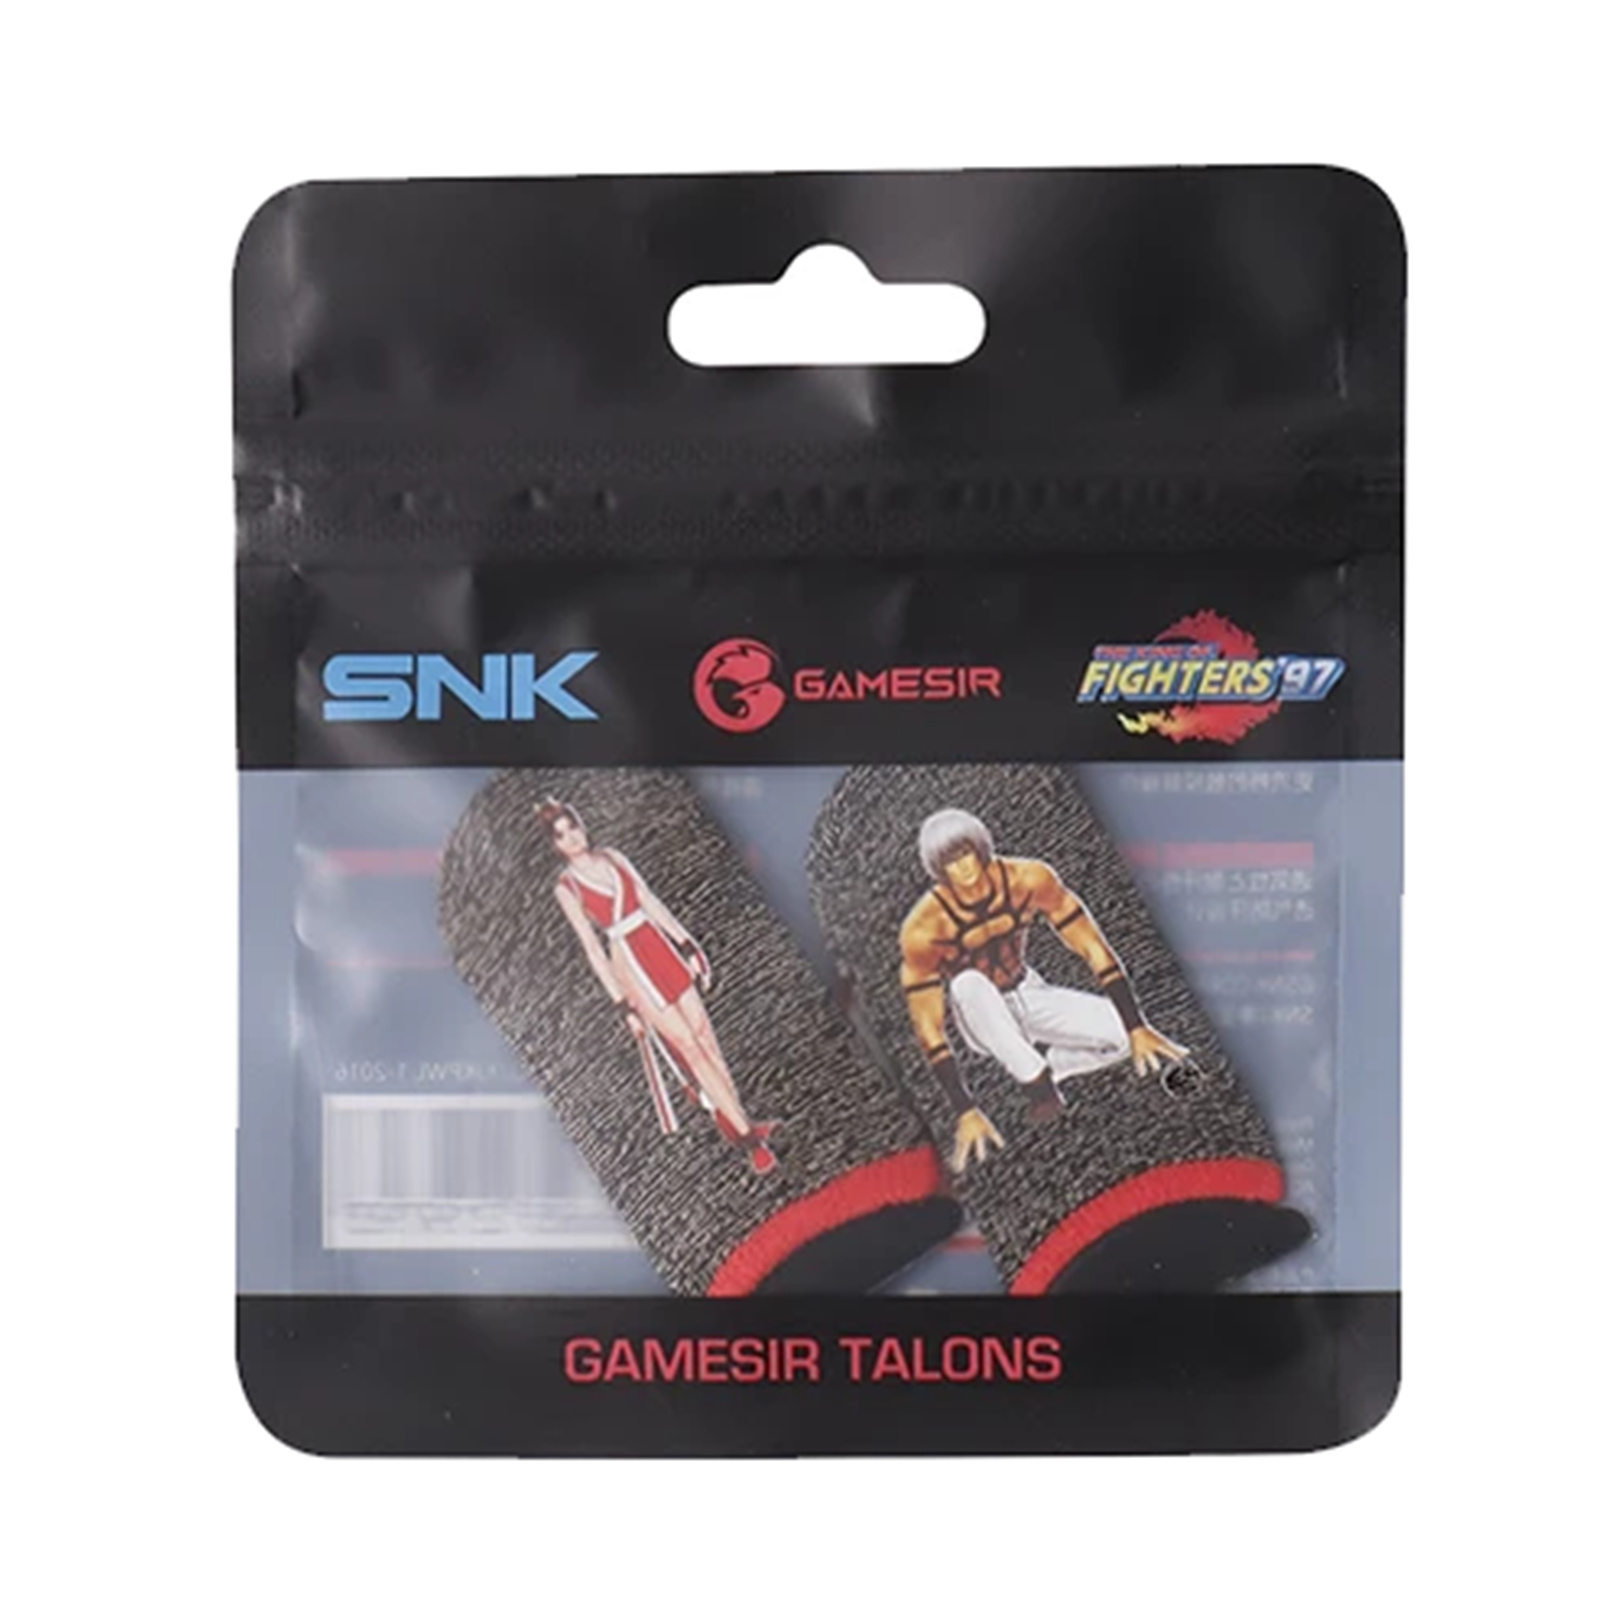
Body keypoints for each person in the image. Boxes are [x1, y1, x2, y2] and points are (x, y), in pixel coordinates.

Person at [899, 807, 1189, 1175]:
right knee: (967, 983)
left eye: (966, 853)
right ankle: (1038, 1086)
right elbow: (928, 1026)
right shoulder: (925, 926)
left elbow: (1091, 944)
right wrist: (964, 1108)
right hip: (978, 1013)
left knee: (1125, 1037)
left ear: (980, 848)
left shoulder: (1028, 878)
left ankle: (1053, 1064)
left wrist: (1136, 1025)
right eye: (950, 862)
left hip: (1027, 991)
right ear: (939, 869)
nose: (963, 867)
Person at [539, 799, 777, 1175]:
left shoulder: (614, 857)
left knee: (704, 1035)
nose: (571, 838)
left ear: (583, 826)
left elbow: (649, 901)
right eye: (560, 835)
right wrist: (622, 1005)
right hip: (629, 960)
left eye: (573, 827)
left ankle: (737, 1122)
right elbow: (592, 949)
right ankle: (750, 1141)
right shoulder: (567, 887)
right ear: (554, 845)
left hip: (656, 943)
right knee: (688, 1046)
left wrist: (687, 944)